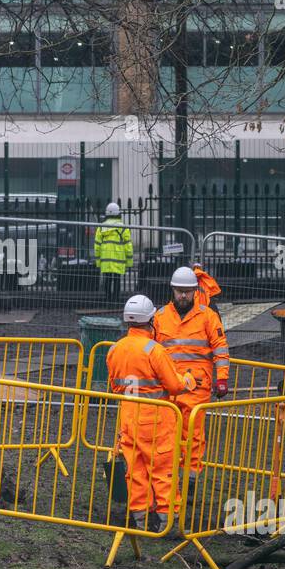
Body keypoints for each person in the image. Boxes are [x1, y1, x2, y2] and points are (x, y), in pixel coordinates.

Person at [106, 294, 197, 533]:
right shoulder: (153, 350)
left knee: (135, 471)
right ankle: (167, 524)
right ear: (151, 320)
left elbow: (115, 386)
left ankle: (140, 520)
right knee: (163, 470)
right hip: (157, 418)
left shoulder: (114, 349)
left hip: (128, 417)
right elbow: (174, 386)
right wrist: (186, 379)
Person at [154, 267, 230, 472]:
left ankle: (191, 478)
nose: (183, 295)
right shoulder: (160, 317)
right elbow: (151, 352)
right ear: (172, 290)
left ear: (195, 290)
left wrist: (222, 379)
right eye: (179, 291)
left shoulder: (208, 316)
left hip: (196, 388)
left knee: (193, 435)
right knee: (165, 433)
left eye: (187, 291)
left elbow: (220, 348)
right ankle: (168, 476)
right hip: (168, 386)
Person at [93, 202, 133, 304]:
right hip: (118, 259)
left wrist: (98, 261)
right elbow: (128, 245)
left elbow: (97, 245)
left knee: (107, 279)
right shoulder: (123, 227)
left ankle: (108, 300)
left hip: (105, 259)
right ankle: (115, 300)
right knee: (116, 280)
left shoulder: (101, 227)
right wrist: (129, 261)